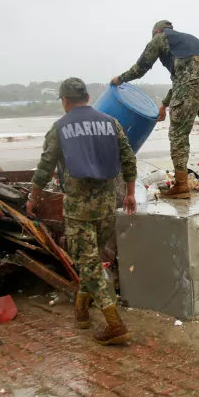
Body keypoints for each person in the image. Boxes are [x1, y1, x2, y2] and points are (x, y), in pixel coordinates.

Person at [27, 78, 137, 345]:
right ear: (87, 97)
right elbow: (128, 159)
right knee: (92, 262)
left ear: (65, 100)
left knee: (88, 265)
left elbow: (45, 168)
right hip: (106, 208)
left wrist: (33, 197)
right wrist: (131, 193)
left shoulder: (60, 128)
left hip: (78, 211)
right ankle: (81, 312)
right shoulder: (111, 123)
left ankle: (114, 324)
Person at [110, 20, 199, 198]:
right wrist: (164, 104)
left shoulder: (160, 37)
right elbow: (185, 79)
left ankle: (181, 186)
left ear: (157, 31)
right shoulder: (191, 40)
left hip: (190, 83)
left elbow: (141, 67)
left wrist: (120, 79)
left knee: (179, 133)